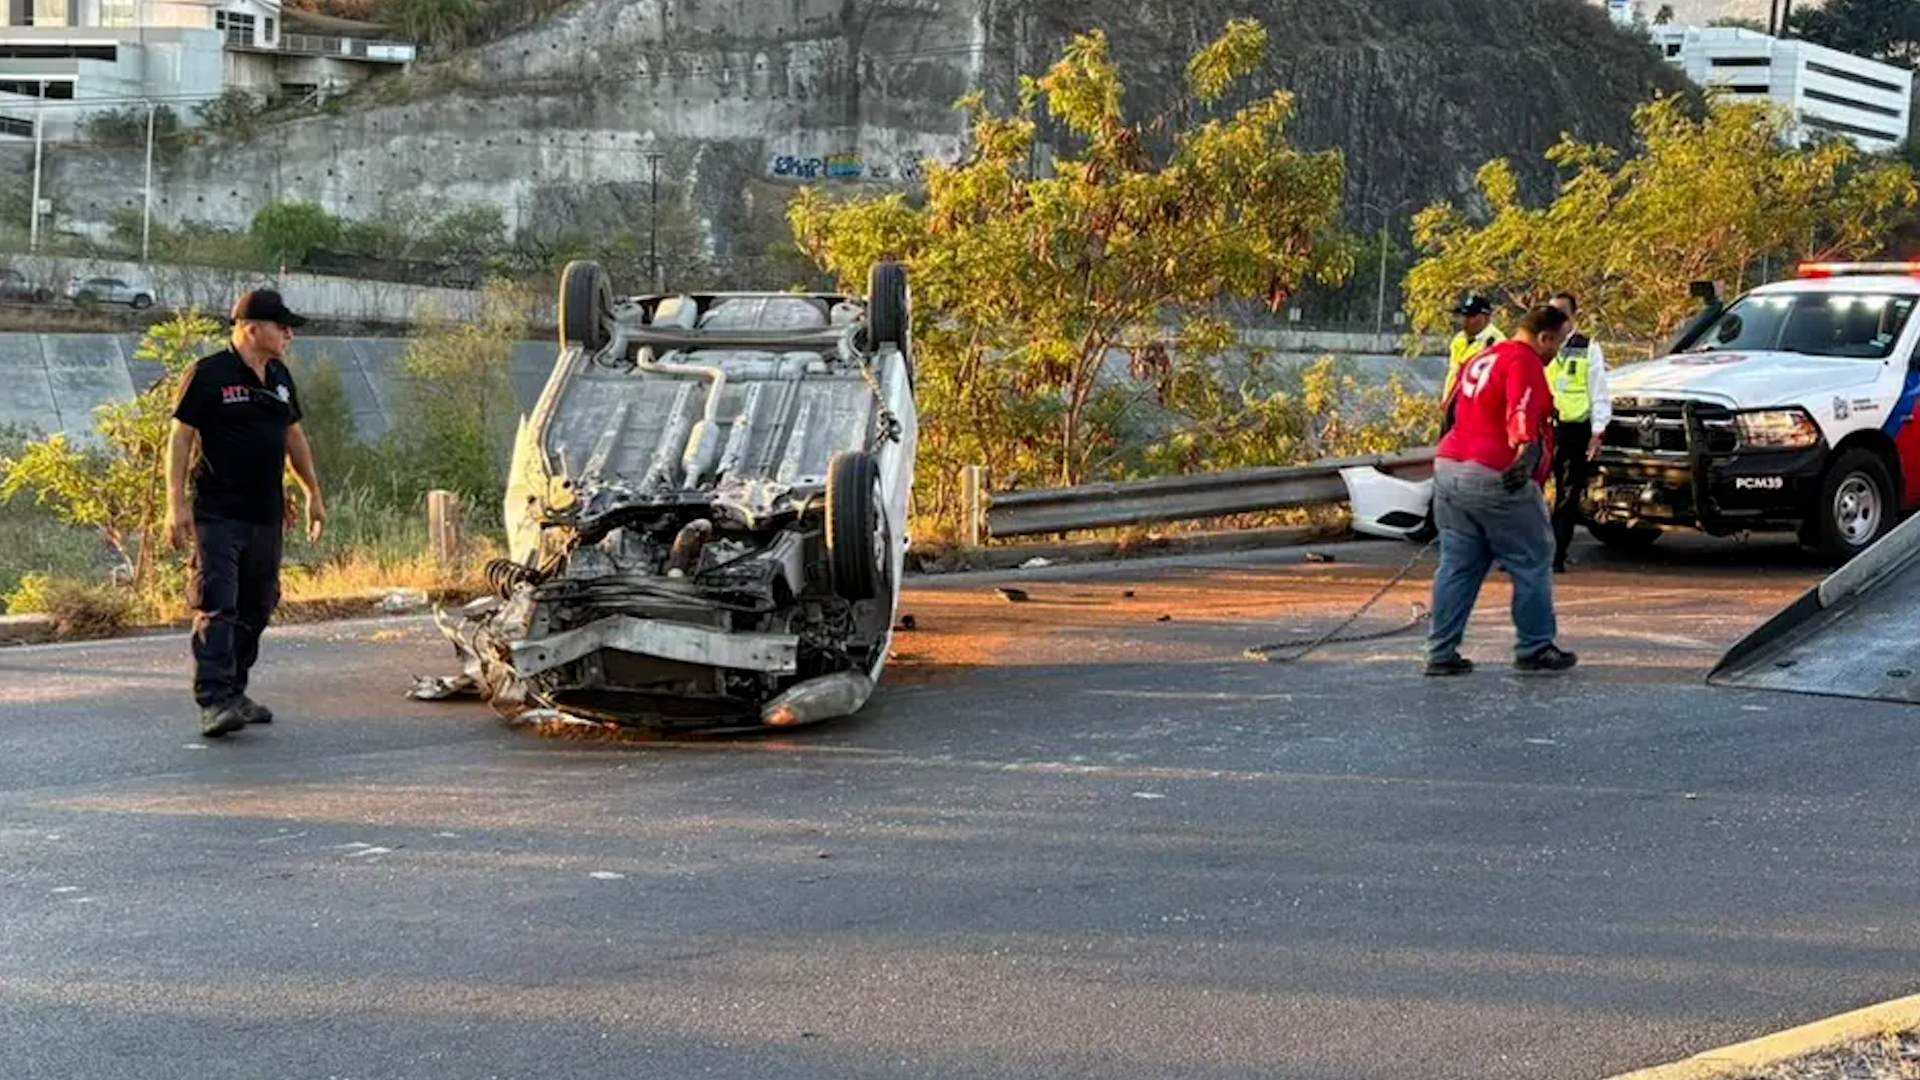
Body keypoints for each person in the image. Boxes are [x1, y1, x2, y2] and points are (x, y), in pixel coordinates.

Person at [165, 289, 326, 739]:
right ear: (252, 329)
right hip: (217, 513)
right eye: (282, 327)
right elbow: (180, 438)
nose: (290, 335)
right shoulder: (208, 374)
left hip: (265, 514)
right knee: (219, 605)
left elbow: (294, 437)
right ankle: (214, 701)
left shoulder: (278, 376)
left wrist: (312, 493)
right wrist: (175, 504)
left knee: (259, 603)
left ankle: (235, 692)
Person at [1423, 304, 1578, 677]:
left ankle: (1441, 652)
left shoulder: (1484, 356)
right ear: (1544, 337)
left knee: (1458, 564)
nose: (1557, 352)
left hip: (1450, 465)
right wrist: (1525, 453)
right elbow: (1521, 411)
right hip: (1496, 471)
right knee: (1532, 558)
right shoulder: (1524, 361)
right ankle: (1535, 647)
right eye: (1558, 343)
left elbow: (1451, 408)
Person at [1544, 292, 1611, 573]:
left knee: (1567, 493)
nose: (1556, 319)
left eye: (1562, 313)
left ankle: (1556, 554)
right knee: (1531, 491)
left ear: (1573, 317)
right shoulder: (1541, 344)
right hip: (1544, 427)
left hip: (1574, 430)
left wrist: (1597, 431)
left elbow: (1599, 392)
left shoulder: (1588, 348)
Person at [1441, 292, 1506, 409]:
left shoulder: (1497, 343)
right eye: (1464, 315)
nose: (1466, 320)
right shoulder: (1459, 339)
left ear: (1486, 317)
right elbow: (1453, 374)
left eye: (1471, 316)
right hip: (1454, 406)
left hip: (1477, 410)